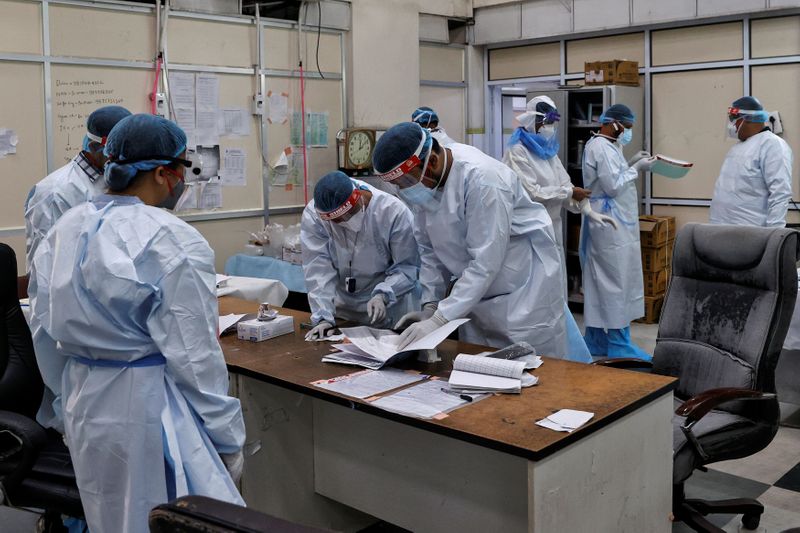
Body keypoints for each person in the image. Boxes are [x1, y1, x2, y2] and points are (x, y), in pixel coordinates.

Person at [28, 114, 245, 533]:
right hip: (144, 408)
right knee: (157, 517)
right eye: (184, 170)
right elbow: (195, 357)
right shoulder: (171, 238)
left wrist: (62, 405)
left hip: (82, 402)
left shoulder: (65, 228)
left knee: (105, 513)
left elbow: (42, 328)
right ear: (165, 173)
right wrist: (226, 439)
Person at [373, 122, 567, 356]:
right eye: (397, 185)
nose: (404, 190)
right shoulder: (424, 187)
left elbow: (486, 261)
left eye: (405, 182)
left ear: (432, 161)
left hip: (522, 291)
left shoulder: (483, 179)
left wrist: (440, 318)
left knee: (530, 368)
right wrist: (431, 305)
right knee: (477, 370)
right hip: (474, 293)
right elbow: (429, 251)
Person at [504, 95, 618, 362]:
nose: (550, 127)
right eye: (547, 122)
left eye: (554, 122)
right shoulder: (517, 152)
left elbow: (564, 186)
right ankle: (534, 352)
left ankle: (561, 351)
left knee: (556, 292)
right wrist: (569, 191)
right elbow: (532, 192)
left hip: (552, 227)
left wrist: (586, 208)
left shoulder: (548, 152)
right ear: (533, 121)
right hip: (529, 233)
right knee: (535, 297)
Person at [301, 171, 420, 339]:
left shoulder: (392, 211)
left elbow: (407, 267)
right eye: (336, 221)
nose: (344, 222)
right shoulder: (315, 215)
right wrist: (322, 316)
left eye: (348, 214)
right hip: (342, 309)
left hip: (387, 305)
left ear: (359, 196)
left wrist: (383, 294)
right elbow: (317, 268)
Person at [580, 103, 655, 359]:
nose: (627, 132)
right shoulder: (600, 146)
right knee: (615, 282)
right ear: (614, 123)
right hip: (608, 222)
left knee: (608, 279)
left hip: (616, 222)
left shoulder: (609, 146)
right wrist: (636, 169)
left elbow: (612, 175)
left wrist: (631, 162)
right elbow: (612, 186)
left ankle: (596, 339)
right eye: (627, 127)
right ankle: (617, 342)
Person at [24, 105, 131, 268]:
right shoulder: (55, 192)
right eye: (119, 151)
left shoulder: (116, 181)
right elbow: (47, 265)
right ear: (98, 146)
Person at [710, 96, 793, 227]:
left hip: (750, 232)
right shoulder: (736, 148)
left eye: (734, 120)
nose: (731, 125)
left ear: (748, 119)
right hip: (720, 228)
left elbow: (780, 193)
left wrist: (773, 234)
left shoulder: (772, 145)